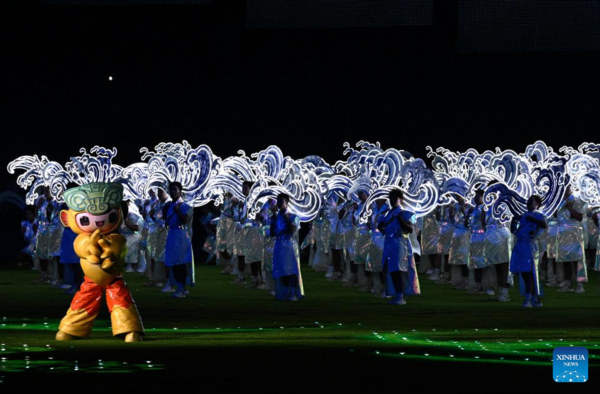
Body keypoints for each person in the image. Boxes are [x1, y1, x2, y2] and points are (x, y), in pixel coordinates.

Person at [377, 189, 420, 305]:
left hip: (400, 243)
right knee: (388, 269)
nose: (392, 201)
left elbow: (410, 229)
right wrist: (381, 226)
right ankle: (394, 293)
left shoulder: (406, 213)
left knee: (398, 270)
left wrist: (400, 220)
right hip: (389, 243)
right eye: (390, 198)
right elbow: (383, 229)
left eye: (394, 198)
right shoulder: (387, 214)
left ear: (401, 200)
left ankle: (401, 296)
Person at [509, 195, 547, 308]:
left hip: (530, 245)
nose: (528, 202)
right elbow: (515, 231)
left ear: (537, 204)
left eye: (531, 201)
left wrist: (533, 220)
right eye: (528, 200)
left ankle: (529, 298)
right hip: (520, 244)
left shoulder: (538, 215)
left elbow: (544, 224)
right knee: (524, 272)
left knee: (529, 271)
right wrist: (514, 220)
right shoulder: (524, 215)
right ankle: (534, 297)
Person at [554, 185, 587, 293]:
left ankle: (580, 284)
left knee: (578, 259)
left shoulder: (578, 201)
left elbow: (580, 217)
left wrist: (570, 208)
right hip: (562, 233)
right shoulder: (557, 202)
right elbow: (554, 216)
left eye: (566, 187)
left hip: (575, 233)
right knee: (565, 260)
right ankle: (567, 284)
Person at [271, 193, 303, 301]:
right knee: (281, 270)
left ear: (287, 203)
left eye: (281, 201)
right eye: (278, 201)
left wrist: (287, 219)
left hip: (289, 246)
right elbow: (272, 232)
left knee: (291, 270)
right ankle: (286, 291)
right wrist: (273, 218)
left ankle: (293, 292)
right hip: (279, 245)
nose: (279, 204)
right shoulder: (276, 216)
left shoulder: (293, 216)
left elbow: (292, 230)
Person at [164, 182, 193, 298]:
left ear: (180, 191)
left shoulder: (183, 205)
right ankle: (181, 287)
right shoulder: (169, 205)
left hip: (180, 235)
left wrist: (177, 211)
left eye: (175, 190)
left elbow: (185, 220)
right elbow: (166, 221)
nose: (173, 192)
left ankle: (181, 287)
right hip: (172, 234)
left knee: (179, 262)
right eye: (171, 190)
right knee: (174, 262)